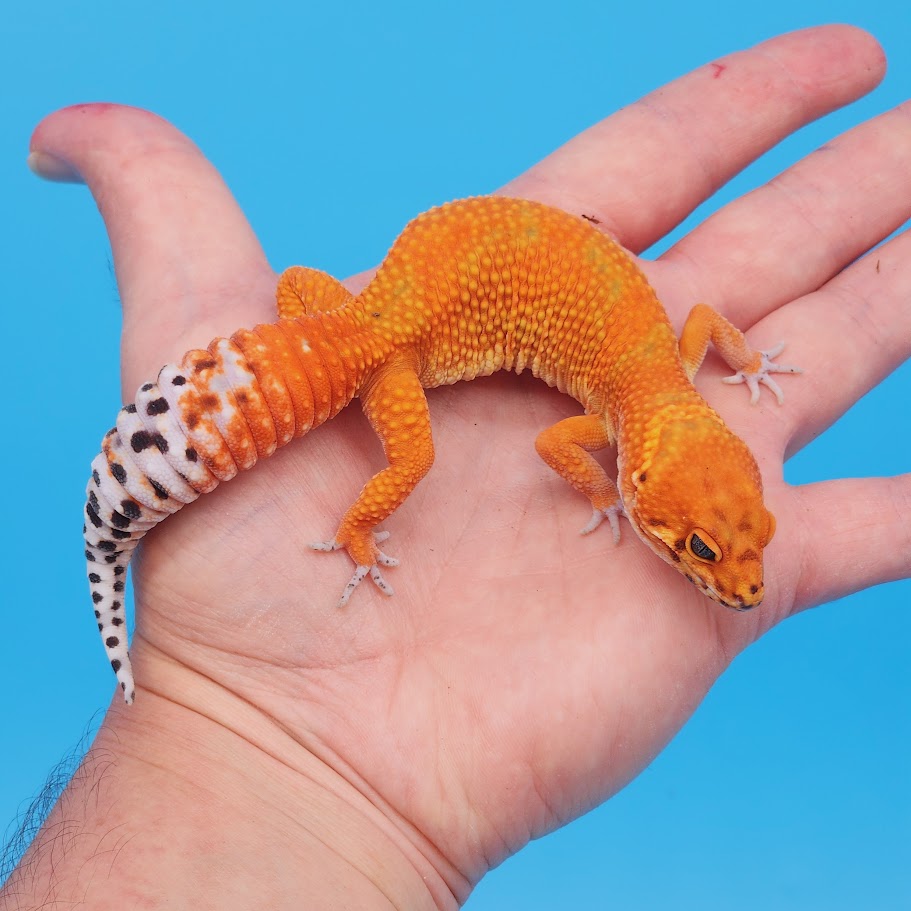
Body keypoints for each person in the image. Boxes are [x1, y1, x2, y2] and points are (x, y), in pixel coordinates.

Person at [3, 24, 908, 910]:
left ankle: (306, 374)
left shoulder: (656, 377)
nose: (735, 579)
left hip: (385, 293)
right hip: (401, 344)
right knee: (418, 452)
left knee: (303, 297)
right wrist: (611, 485)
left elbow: (703, 319)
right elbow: (562, 441)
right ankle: (355, 529)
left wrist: (739, 365)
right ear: (638, 483)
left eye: (723, 549)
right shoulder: (624, 412)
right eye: (707, 550)